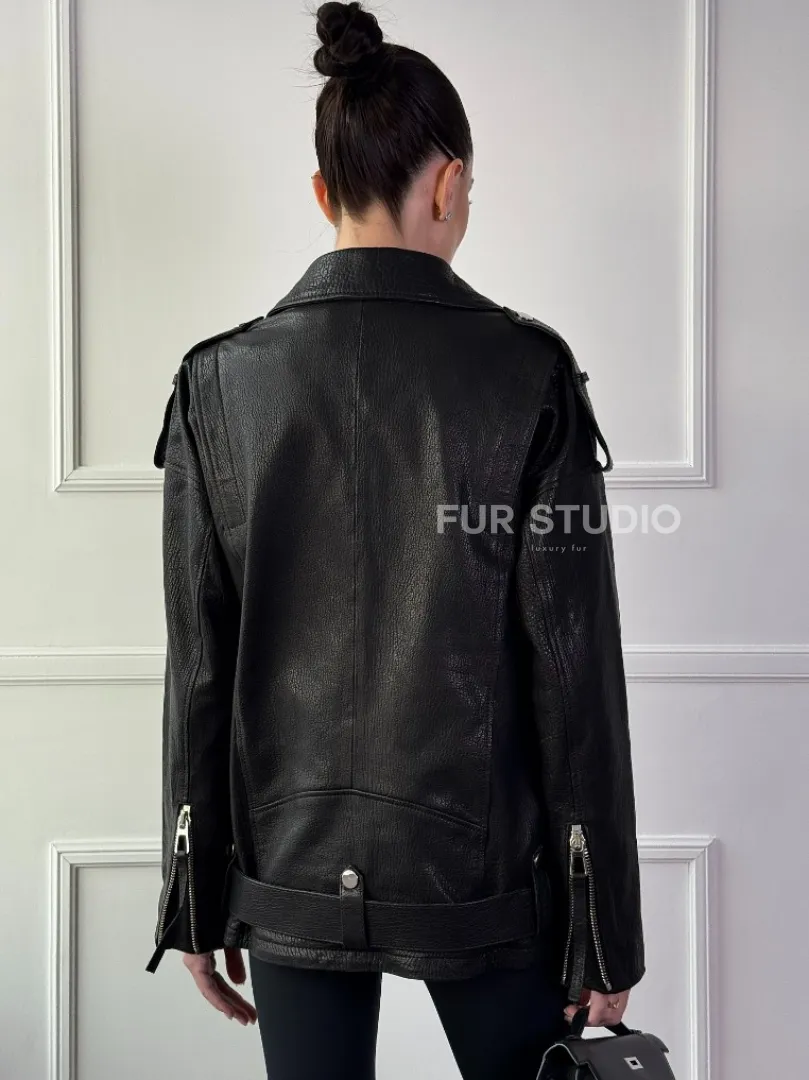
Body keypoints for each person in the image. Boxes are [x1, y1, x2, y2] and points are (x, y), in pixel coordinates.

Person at [145, 3, 645, 1077]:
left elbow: (199, 669)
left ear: (320, 192)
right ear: (449, 183)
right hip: (484, 879)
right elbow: (572, 678)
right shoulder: (528, 374)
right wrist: (603, 924)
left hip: (285, 871)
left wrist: (194, 891)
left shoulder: (215, 383)